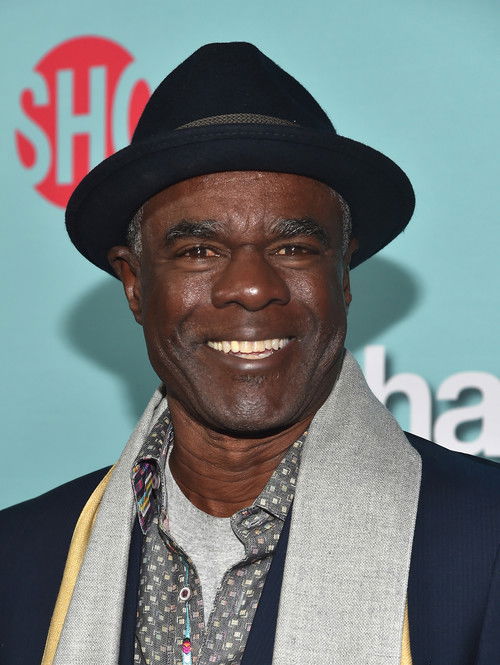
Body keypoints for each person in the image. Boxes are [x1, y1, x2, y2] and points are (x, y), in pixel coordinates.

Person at [1, 42, 499, 665]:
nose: (252, 287)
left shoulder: (483, 539)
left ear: (343, 277)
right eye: (198, 251)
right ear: (134, 284)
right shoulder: (21, 561)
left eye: (294, 249)